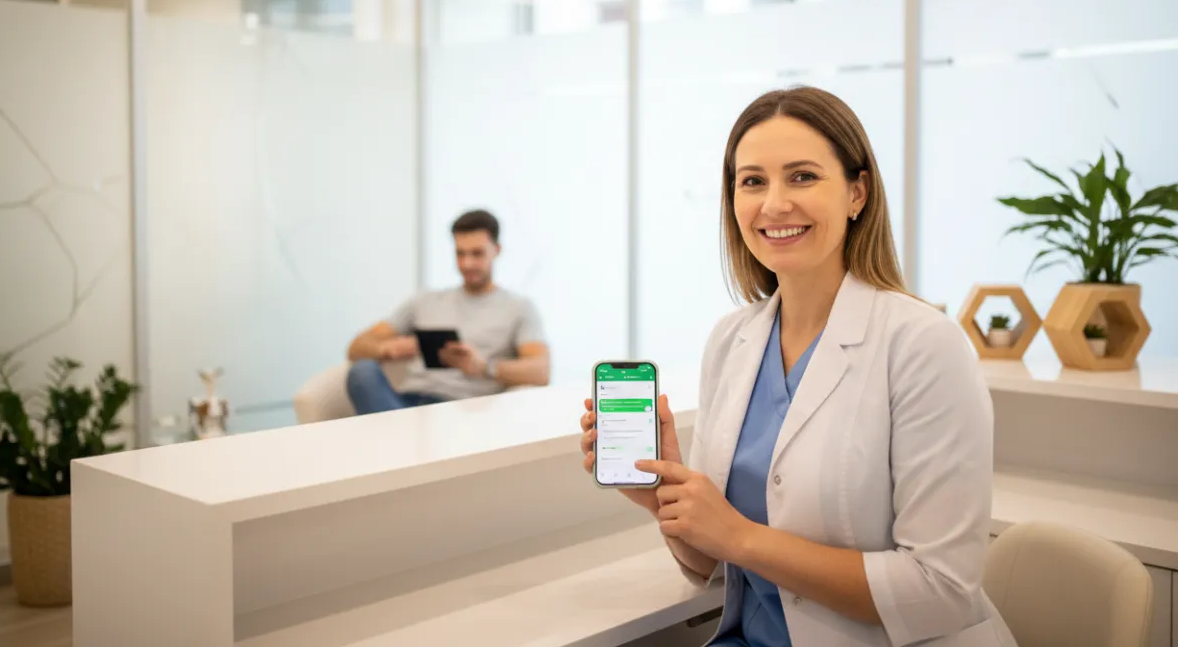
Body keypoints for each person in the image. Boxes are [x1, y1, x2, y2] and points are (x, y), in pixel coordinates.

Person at [579, 87, 1015, 646]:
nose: (774, 204)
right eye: (753, 181)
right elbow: (712, 562)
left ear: (857, 193)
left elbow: (939, 590)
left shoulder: (924, 346)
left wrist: (739, 537)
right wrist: (661, 496)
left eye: (803, 176)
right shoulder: (731, 341)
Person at [346, 210, 549, 413]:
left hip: (460, 410)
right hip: (405, 404)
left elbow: (541, 370)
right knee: (363, 371)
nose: (466, 264)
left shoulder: (519, 308)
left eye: (477, 254)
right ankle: (399, 438)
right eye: (460, 253)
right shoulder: (424, 300)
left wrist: (485, 367)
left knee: (385, 428)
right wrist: (386, 349)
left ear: (496, 250)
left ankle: (394, 439)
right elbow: (356, 347)